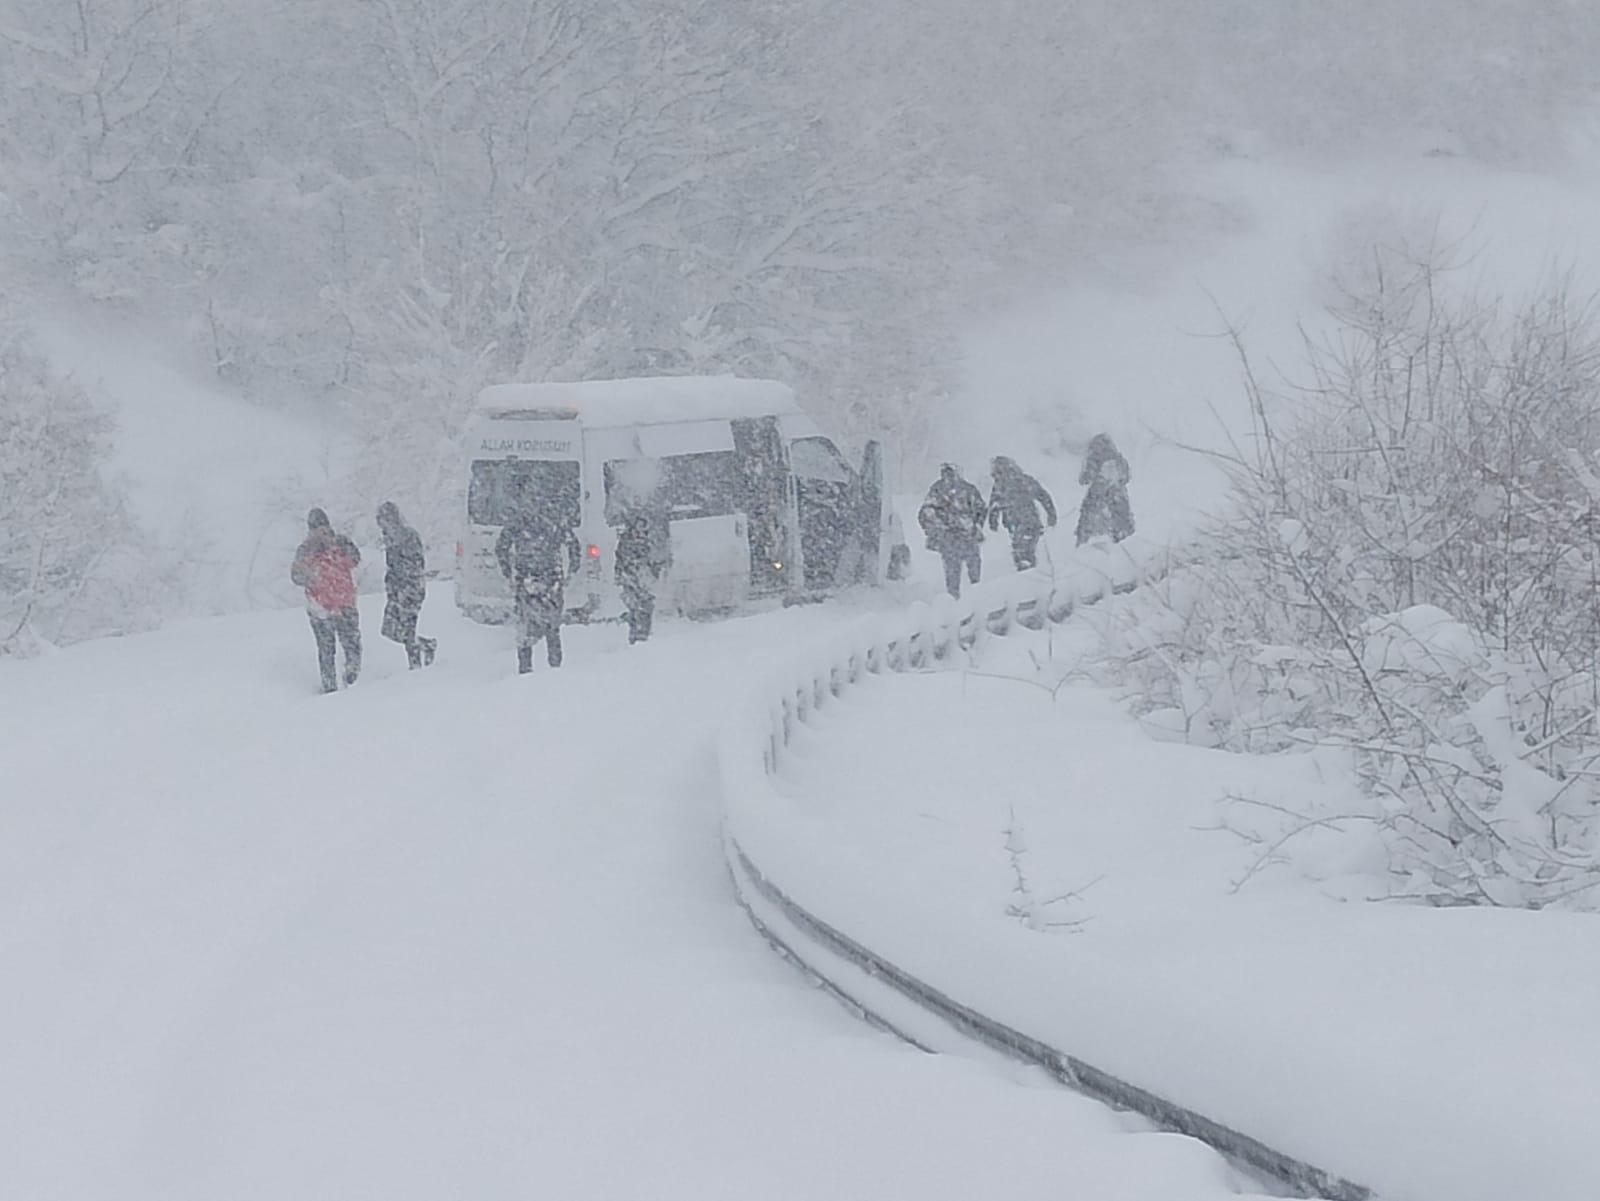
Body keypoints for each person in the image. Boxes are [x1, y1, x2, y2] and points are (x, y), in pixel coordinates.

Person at [495, 494, 579, 673]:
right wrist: (571, 571)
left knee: (527, 627)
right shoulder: (554, 520)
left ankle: (527, 669)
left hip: (530, 579)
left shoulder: (519, 522)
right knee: (550, 627)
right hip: (547, 579)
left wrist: (508, 572)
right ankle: (553, 668)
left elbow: (501, 546)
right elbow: (573, 546)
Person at [290, 507, 361, 693]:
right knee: (326, 650)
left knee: (352, 645)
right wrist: (311, 575)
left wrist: (337, 548)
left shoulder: (340, 542)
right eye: (316, 528)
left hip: (344, 603)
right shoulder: (306, 549)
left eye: (322, 527)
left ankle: (353, 681)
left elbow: (355, 559)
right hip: (320, 607)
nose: (320, 532)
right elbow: (296, 576)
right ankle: (330, 688)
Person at [376, 501, 436, 670]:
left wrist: (404, 579)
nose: (382, 525)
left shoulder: (408, 535)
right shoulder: (390, 539)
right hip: (396, 590)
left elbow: (415, 563)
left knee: (408, 628)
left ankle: (415, 666)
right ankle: (426, 645)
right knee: (389, 629)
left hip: (411, 589)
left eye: (384, 520)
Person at [918, 462, 987, 599]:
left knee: (956, 574)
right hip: (960, 537)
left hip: (956, 538)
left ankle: (962, 601)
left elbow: (924, 514)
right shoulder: (964, 489)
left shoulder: (941, 489)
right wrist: (975, 525)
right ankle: (970, 600)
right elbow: (981, 509)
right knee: (965, 573)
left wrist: (933, 530)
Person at [987, 455, 1057, 570]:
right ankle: (1027, 569)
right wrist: (993, 519)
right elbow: (994, 505)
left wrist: (1051, 514)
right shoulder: (1003, 485)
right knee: (1022, 548)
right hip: (1018, 522)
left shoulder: (1019, 481)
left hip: (1026, 521)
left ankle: (1026, 570)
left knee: (1021, 548)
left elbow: (1042, 496)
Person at [615, 504, 672, 644]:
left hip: (643, 579)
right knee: (638, 607)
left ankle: (641, 633)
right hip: (632, 579)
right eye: (639, 526)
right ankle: (637, 634)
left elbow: (653, 559)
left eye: (643, 526)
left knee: (646, 606)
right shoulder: (627, 542)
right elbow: (624, 560)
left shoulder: (646, 541)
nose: (642, 529)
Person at [1075, 433, 1134, 545]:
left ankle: (1083, 538)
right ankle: (1124, 539)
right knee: (1121, 517)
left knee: (1087, 515)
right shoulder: (1119, 459)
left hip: (1098, 492)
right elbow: (1126, 477)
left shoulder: (1094, 459)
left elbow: (1084, 479)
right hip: (1118, 493)